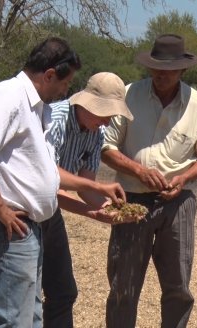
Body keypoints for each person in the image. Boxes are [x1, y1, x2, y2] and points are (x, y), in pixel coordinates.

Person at [0, 37, 125, 328]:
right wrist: (0, 207)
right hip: (7, 228)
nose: (66, 91)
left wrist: (97, 190)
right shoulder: (10, 95)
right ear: (49, 74)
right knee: (13, 322)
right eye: (65, 83)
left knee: (30, 320)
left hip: (26, 230)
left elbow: (47, 173)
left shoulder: (37, 109)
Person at [101, 34, 197, 328]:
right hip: (131, 199)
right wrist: (138, 171)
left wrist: (183, 178)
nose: (160, 75)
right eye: (156, 68)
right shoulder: (130, 96)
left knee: (178, 286)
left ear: (182, 71)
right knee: (123, 285)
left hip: (178, 203)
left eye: (168, 70)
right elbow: (107, 149)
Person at [42, 72, 134, 328]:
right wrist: (91, 209)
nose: (106, 121)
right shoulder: (54, 120)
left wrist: (107, 208)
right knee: (26, 297)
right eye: (104, 113)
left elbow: (86, 186)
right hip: (25, 211)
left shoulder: (96, 133)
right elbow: (47, 183)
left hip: (49, 214)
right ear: (86, 103)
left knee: (63, 292)